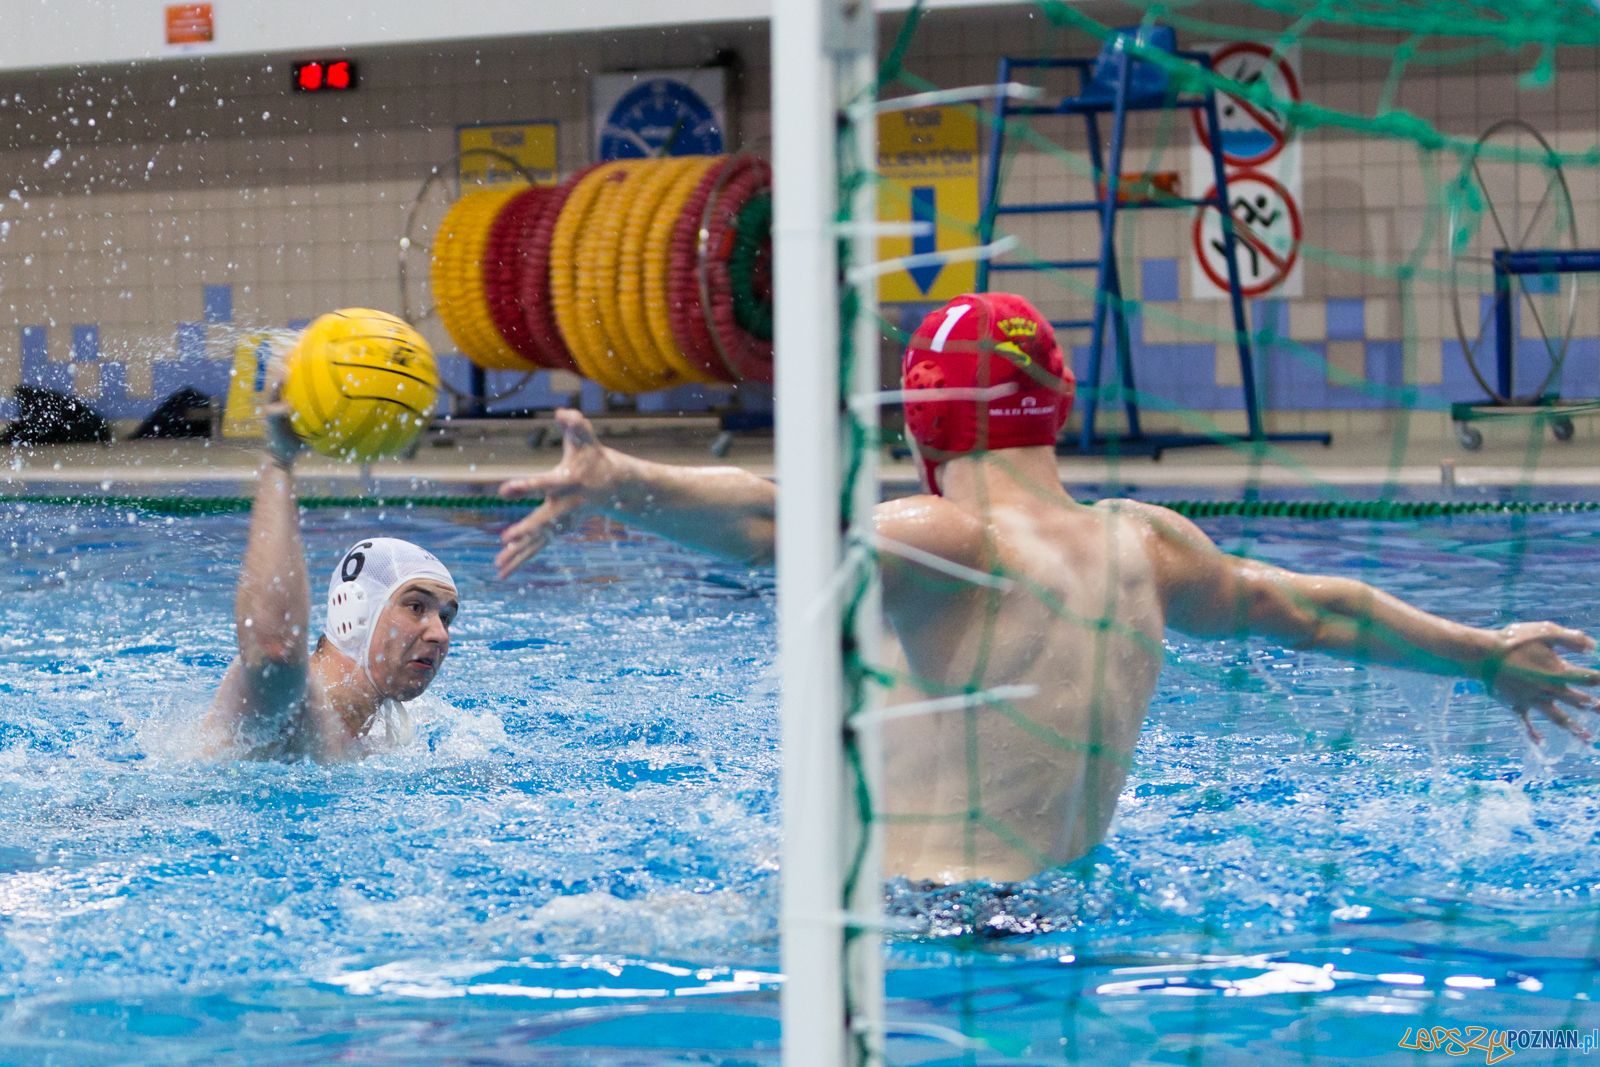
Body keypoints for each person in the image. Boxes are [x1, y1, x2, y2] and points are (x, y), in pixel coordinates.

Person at [493, 292, 1600, 884]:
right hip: (1049, 918)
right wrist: (1482, 650)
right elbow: (1314, 606)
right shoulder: (1148, 546)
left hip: (905, 924)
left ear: (922, 423)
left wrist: (623, 478)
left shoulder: (946, 534)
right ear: (1054, 404)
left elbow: (771, 519)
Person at [203, 403, 459, 762]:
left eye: (445, 617)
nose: (440, 635)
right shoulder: (291, 700)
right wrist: (279, 462)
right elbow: (274, 647)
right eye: (416, 606)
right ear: (352, 612)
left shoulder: (392, 736)